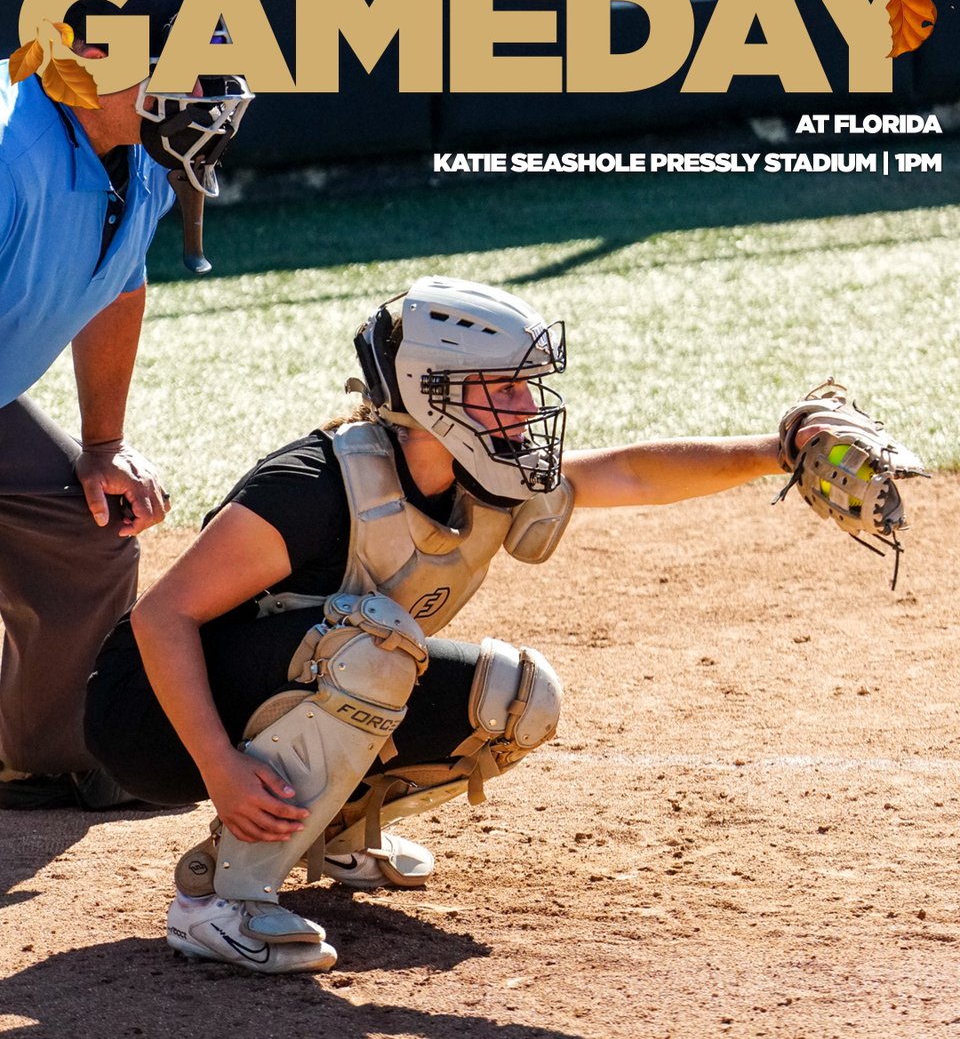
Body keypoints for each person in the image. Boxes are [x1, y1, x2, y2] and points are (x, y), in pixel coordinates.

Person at [84, 274, 817, 974]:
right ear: (432, 394)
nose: (527, 404)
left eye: (525, 383)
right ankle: (219, 899)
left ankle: (326, 826)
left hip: (274, 691)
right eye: (502, 385)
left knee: (518, 699)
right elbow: (161, 616)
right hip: (152, 719)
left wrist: (775, 451)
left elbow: (626, 474)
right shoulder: (313, 484)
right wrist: (220, 765)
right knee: (369, 650)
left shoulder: (489, 471)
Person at [0, 0, 253, 808]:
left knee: (87, 528)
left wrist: (102, 445)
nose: (208, 94)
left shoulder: (137, 159)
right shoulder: (10, 149)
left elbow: (118, 288)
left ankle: (41, 752)